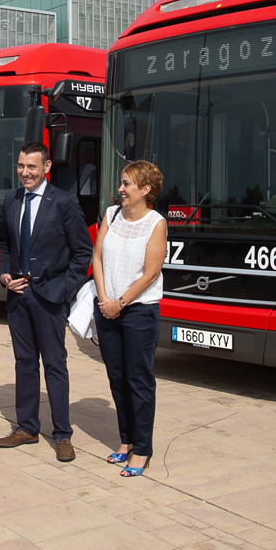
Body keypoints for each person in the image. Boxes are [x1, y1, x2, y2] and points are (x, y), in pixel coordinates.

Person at [0, 142, 93, 462]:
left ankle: (62, 434)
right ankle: (27, 427)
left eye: (32, 167)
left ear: (47, 167)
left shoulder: (64, 202)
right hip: (18, 297)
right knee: (24, 364)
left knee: (55, 365)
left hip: (51, 298)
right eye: (21, 166)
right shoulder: (11, 199)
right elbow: (5, 243)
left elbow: (83, 252)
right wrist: (5, 274)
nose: (25, 172)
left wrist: (65, 290)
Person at [92, 161, 167, 478]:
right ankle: (126, 441)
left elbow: (151, 274)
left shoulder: (156, 223)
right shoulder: (110, 215)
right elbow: (96, 257)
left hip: (138, 311)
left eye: (126, 184)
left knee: (138, 380)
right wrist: (104, 299)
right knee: (116, 377)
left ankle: (143, 450)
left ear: (145, 190)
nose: (120, 189)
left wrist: (120, 303)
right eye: (121, 183)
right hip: (107, 306)